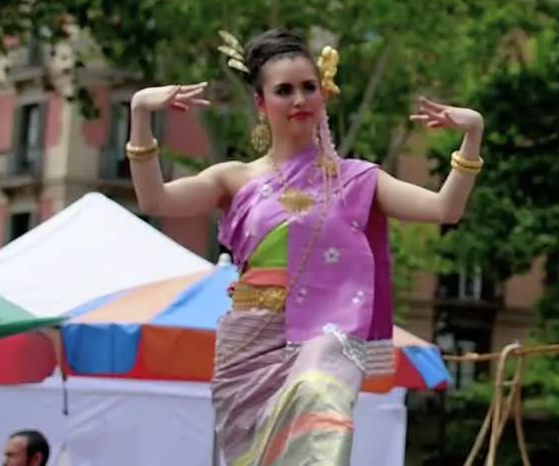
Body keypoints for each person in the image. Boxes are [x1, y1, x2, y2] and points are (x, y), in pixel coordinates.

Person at [126, 28, 485, 465]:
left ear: (324, 94)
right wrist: (141, 112)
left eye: (308, 87)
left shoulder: (357, 179)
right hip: (250, 339)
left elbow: (444, 209)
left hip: (326, 328)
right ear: (261, 103)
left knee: (318, 394)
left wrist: (472, 137)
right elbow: (155, 200)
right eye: (283, 90)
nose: (299, 99)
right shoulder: (233, 178)